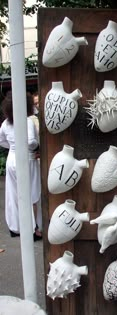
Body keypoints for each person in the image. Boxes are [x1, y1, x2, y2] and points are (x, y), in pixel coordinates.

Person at [0, 91, 42, 240]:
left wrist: (13, 145)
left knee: (13, 194)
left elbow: (1, 141)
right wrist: (37, 147)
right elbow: (31, 142)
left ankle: (15, 227)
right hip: (27, 160)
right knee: (32, 194)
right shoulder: (27, 121)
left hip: (12, 160)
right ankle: (33, 229)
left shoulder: (6, 122)